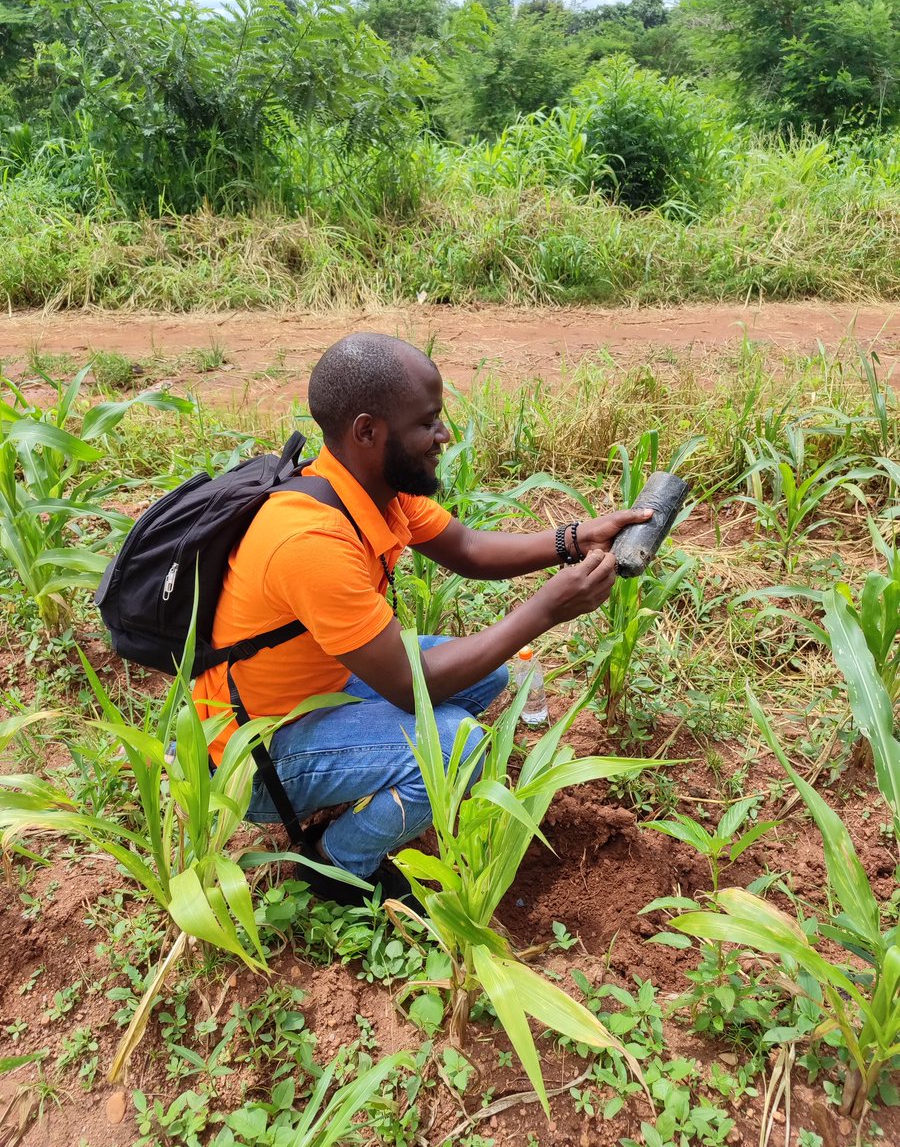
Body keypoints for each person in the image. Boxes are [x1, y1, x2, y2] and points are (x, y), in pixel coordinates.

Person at [193, 332, 650, 906]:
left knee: (488, 674)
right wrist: (546, 609)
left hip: (315, 690)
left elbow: (468, 550)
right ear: (367, 431)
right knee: (456, 743)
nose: (444, 435)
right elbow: (413, 687)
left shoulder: (368, 486)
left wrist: (575, 537)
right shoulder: (310, 540)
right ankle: (337, 865)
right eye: (428, 422)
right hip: (250, 757)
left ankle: (373, 775)